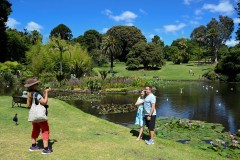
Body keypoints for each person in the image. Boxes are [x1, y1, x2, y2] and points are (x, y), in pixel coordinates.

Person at [24, 77, 52, 154]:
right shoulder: (36, 93)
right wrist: (46, 92)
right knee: (45, 130)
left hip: (34, 116)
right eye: (36, 84)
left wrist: (43, 93)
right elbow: (44, 102)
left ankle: (33, 146)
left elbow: (29, 105)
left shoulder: (29, 93)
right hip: (40, 116)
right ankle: (46, 149)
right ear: (33, 85)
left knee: (35, 129)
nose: (38, 84)